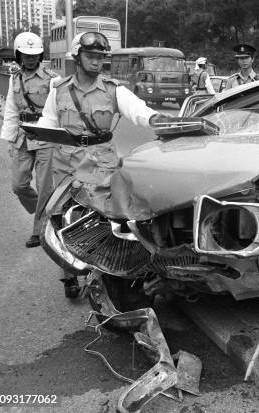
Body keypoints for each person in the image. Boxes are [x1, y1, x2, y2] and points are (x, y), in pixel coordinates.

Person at [36, 31, 167, 297]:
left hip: (101, 166)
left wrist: (157, 120)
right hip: (66, 166)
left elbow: (139, 111)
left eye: (100, 57)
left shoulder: (113, 90)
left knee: (105, 221)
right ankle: (70, 274)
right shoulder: (58, 90)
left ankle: (105, 273)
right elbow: (48, 122)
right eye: (90, 56)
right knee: (63, 220)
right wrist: (34, 133)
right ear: (77, 57)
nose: (96, 62)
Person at [0, 31, 59, 248]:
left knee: (45, 187)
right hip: (23, 137)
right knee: (18, 184)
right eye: (26, 54)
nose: (31, 58)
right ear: (18, 55)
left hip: (46, 136)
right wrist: (9, 140)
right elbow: (11, 110)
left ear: (40, 55)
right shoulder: (14, 79)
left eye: (34, 54)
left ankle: (39, 231)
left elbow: (58, 111)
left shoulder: (53, 79)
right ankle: (51, 211)